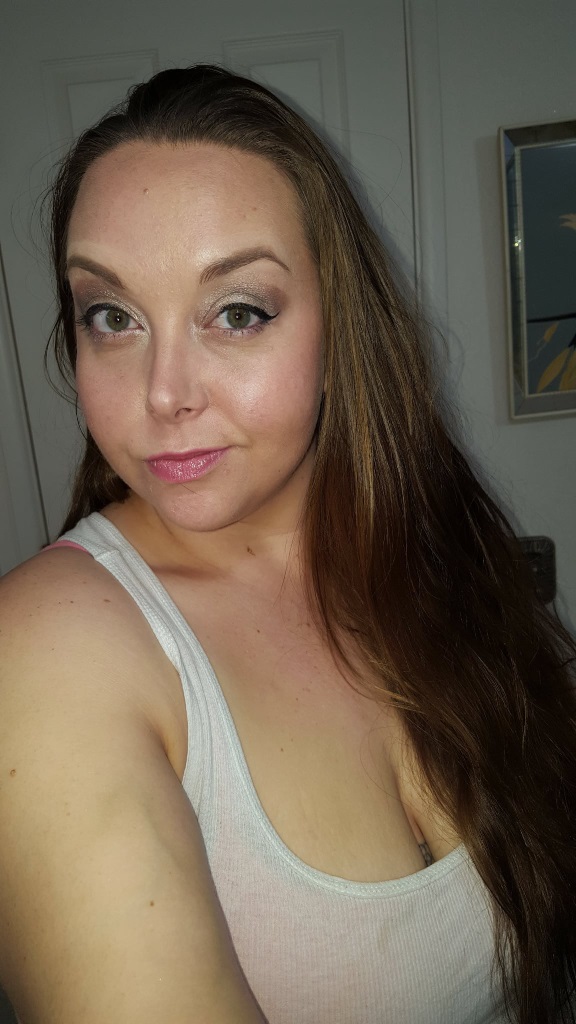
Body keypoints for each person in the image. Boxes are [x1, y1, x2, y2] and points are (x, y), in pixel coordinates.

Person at [0, 65, 574, 1024]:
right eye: (113, 317)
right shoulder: (49, 649)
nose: (165, 394)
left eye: (237, 312)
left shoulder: (435, 555)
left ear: (340, 328)